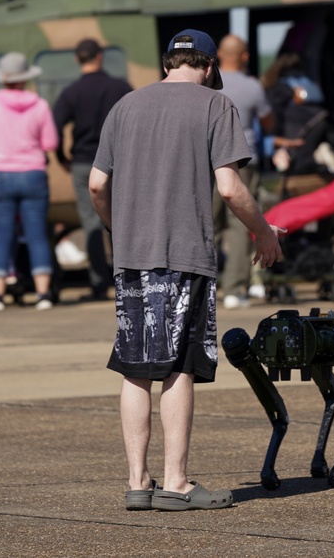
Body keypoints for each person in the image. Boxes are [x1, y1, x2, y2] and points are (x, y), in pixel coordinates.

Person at [88, 29, 282, 511]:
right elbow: (230, 187)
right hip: (183, 256)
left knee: (134, 369)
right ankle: (176, 483)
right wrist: (264, 233)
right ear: (211, 68)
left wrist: (121, 229)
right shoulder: (215, 106)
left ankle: (138, 482)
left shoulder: (125, 106)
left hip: (132, 258)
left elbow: (96, 184)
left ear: (166, 63)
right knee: (178, 368)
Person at [0, 52, 59, 312]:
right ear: (26, 78)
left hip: (0, 176)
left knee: (2, 236)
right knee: (37, 236)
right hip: (34, 175)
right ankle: (42, 295)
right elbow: (50, 143)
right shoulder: (40, 104)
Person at [54, 39, 132, 301]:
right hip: (119, 161)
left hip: (84, 162)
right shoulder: (120, 88)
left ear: (77, 59)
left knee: (91, 225)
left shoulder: (71, 92)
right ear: (100, 57)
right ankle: (127, 280)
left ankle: (99, 284)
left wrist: (62, 157)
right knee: (121, 221)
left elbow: (55, 128)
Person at [214, 34, 274, 309]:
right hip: (243, 160)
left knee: (206, 223)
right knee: (238, 224)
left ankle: (201, 285)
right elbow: (269, 123)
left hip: (208, 160)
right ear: (245, 57)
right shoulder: (253, 86)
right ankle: (234, 290)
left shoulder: (208, 84)